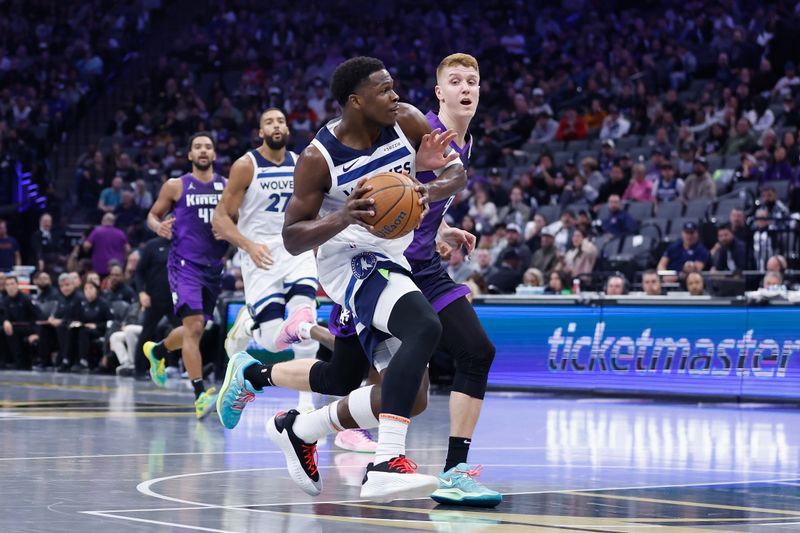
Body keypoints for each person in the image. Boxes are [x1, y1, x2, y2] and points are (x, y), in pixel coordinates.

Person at [219, 57, 467, 503]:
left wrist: (424, 187)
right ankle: (387, 462)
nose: (396, 96)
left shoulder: (406, 120)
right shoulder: (318, 158)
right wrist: (343, 216)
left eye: (394, 88)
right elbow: (293, 237)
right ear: (356, 102)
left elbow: (457, 172)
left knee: (380, 387)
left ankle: (293, 421)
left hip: (392, 256)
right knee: (424, 326)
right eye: (384, 90)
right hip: (347, 261)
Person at [211, 108, 326, 414]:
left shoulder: (301, 162)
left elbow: (314, 207)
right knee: (275, 342)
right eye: (269, 122)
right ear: (260, 132)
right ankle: (249, 323)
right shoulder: (246, 166)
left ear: (287, 129)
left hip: (295, 250)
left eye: (281, 121)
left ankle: (305, 407)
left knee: (305, 321)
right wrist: (247, 245)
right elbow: (220, 218)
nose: (276, 126)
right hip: (259, 256)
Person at [142, 132, 228, 418]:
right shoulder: (176, 186)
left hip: (213, 268)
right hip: (184, 266)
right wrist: (158, 227)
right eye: (197, 147)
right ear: (190, 155)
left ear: (214, 155)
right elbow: (152, 215)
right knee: (193, 328)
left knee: (198, 329)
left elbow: (238, 219)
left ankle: (158, 351)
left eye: (208, 147)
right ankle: (200, 392)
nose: (203, 151)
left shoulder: (226, 187)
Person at [132, 236, 181, 380]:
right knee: (146, 333)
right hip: (154, 298)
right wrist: (141, 293)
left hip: (176, 298)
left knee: (187, 333)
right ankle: (139, 370)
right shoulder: (152, 245)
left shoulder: (184, 243)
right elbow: (139, 272)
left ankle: (194, 371)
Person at [62, 280, 111, 372]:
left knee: (83, 332)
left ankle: (84, 362)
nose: (88, 291)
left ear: (97, 290)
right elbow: (76, 318)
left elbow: (112, 322)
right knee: (72, 330)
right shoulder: (82, 304)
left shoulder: (103, 304)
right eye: (86, 289)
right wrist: (75, 323)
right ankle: (67, 360)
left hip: (99, 331)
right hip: (84, 328)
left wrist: (97, 326)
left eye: (91, 288)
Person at [1, 276, 39, 369]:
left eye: (12, 284)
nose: (10, 287)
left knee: (12, 331)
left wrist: (38, 333)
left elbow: (38, 316)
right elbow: (4, 314)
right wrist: (5, 321)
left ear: (17, 285)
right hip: (14, 327)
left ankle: (20, 362)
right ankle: (5, 361)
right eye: (7, 285)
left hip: (29, 327)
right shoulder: (5, 301)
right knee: (4, 330)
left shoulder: (26, 299)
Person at [83, 213, 130, 277]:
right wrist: (123, 260)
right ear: (113, 222)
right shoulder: (120, 233)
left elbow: (87, 246)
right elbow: (128, 249)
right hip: (117, 267)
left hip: (100, 266)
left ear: (103, 221)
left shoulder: (97, 232)